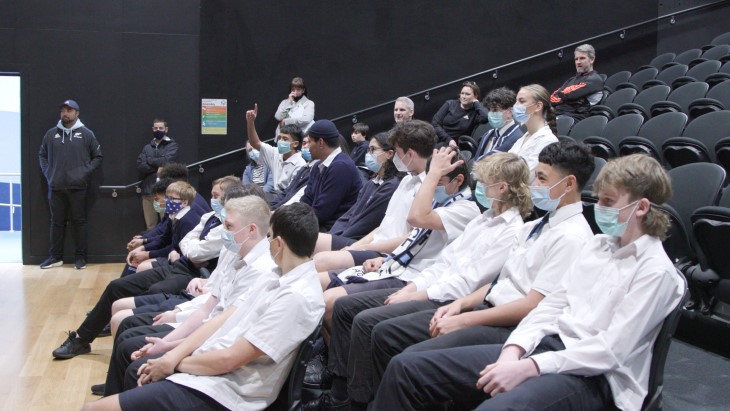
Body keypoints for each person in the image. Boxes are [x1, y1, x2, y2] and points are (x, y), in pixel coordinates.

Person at [373, 154, 684, 411]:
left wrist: (530, 366)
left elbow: (609, 351)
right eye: (599, 198)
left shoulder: (656, 272)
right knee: (407, 370)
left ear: (641, 207)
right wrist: (513, 350)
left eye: (608, 200)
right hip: (545, 346)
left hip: (595, 377)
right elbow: (550, 307)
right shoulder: (599, 245)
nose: (598, 207)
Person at [324, 152, 532, 408]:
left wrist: (416, 294)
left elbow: (467, 283)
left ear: (502, 187)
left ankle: (360, 400)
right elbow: (445, 263)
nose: (478, 186)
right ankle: (344, 391)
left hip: (452, 301)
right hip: (429, 286)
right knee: (347, 308)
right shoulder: (483, 219)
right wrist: (412, 289)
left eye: (485, 181)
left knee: (372, 325)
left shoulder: (511, 231)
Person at [81, 203, 325, 411]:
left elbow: (230, 360)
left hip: (225, 391)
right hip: (211, 370)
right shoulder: (277, 274)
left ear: (279, 244)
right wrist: (172, 353)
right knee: (136, 369)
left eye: (269, 237)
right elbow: (222, 319)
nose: (267, 243)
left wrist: (172, 362)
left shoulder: (297, 296)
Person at [312, 120, 436, 272]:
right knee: (309, 240)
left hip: (386, 252)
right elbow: (382, 227)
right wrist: (356, 247)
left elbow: (411, 238)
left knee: (319, 261)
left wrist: (363, 247)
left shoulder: (427, 188)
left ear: (410, 154)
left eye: (397, 152)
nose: (394, 156)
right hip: (373, 243)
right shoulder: (406, 180)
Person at [38, 99, 103, 270]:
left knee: (79, 222)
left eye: (69, 110)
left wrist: (83, 173)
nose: (65, 113)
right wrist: (48, 173)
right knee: (56, 222)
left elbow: (97, 157)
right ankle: (55, 257)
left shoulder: (87, 134)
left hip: (78, 187)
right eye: (63, 111)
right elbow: (42, 155)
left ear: (77, 113)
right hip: (56, 186)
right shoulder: (51, 134)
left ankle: (80, 258)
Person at [317, 132, 402, 251]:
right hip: (345, 235)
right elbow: (349, 215)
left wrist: (334, 241)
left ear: (389, 154)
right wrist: (332, 236)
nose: (368, 154)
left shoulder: (391, 186)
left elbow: (365, 224)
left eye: (373, 150)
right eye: (368, 150)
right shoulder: (371, 183)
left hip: (359, 241)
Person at [299, 119, 363, 231]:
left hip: (333, 230)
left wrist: (293, 222)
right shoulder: (318, 166)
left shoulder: (341, 167)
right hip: (316, 224)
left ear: (321, 142)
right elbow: (306, 199)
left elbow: (322, 212)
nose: (307, 147)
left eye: (310, 142)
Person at [246, 103, 306, 204]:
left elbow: (291, 194)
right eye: (279, 138)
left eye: (285, 139)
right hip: (273, 195)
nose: (280, 141)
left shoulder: (300, 164)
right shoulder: (275, 153)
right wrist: (250, 122)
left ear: (295, 144)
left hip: (288, 199)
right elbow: (255, 143)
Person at [136, 118, 179, 230]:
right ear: (152, 129)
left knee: (167, 224)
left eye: (160, 128)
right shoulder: (147, 147)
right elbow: (140, 165)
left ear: (166, 129)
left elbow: (167, 161)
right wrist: (158, 166)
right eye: (155, 128)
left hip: (166, 192)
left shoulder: (172, 145)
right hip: (148, 190)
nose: (158, 130)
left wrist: (149, 160)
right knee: (150, 226)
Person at [508, 84, 559, 174]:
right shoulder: (523, 138)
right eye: (516, 101)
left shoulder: (548, 141)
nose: (516, 106)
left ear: (538, 106)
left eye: (522, 101)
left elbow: (526, 176)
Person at [550, 44, 604, 121]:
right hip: (558, 114)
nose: (578, 62)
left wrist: (565, 97)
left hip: (575, 118)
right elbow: (552, 98)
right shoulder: (571, 80)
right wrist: (570, 99)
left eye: (582, 58)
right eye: (576, 59)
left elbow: (571, 95)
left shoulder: (595, 80)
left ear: (592, 59)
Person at [431, 81, 489, 146]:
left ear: (475, 96)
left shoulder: (475, 112)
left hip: (458, 146)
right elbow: (435, 122)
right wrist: (448, 139)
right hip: (441, 140)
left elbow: (486, 117)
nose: (464, 96)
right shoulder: (450, 104)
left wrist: (476, 103)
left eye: (467, 94)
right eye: (462, 93)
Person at [475, 87, 525, 159]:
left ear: (510, 112)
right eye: (489, 109)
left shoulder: (517, 138)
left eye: (495, 110)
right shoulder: (488, 134)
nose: (490, 114)